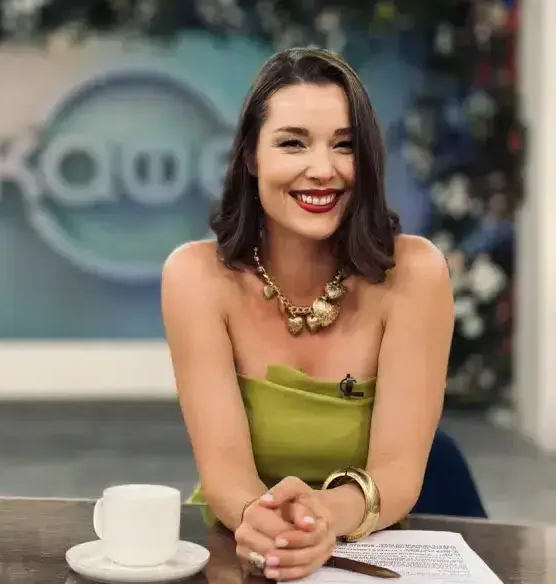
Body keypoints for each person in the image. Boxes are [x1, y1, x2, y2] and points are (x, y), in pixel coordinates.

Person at [161, 46, 455, 581]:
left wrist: (321, 518)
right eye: (292, 143)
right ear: (251, 156)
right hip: (240, 548)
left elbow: (397, 472)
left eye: (344, 145)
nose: (323, 170)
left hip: (372, 550)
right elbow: (225, 473)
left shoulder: (416, 274)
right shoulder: (194, 277)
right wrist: (261, 521)